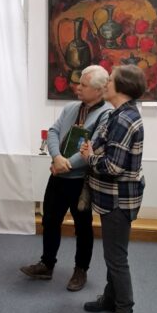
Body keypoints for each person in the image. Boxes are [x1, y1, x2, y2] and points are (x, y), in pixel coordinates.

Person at [20, 65, 112, 291]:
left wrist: (65, 164)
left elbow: (94, 147)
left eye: (84, 85)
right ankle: (47, 264)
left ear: (99, 90)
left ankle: (81, 270)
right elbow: (53, 131)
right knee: (50, 221)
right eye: (79, 83)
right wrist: (57, 157)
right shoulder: (70, 108)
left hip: (82, 181)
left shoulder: (107, 115)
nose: (77, 87)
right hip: (58, 176)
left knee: (83, 227)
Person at [79, 65, 146, 313]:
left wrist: (89, 157)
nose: (105, 83)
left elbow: (113, 167)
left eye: (110, 80)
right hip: (114, 198)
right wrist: (93, 150)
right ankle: (111, 298)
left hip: (118, 200)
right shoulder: (118, 114)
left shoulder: (123, 119)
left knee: (116, 258)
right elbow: (104, 147)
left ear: (122, 87)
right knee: (112, 253)